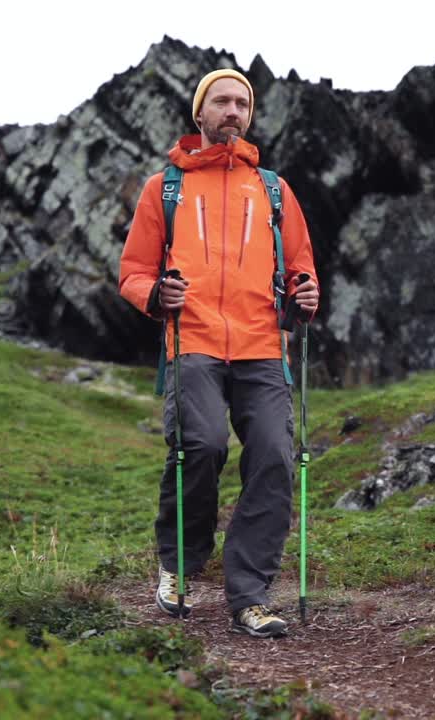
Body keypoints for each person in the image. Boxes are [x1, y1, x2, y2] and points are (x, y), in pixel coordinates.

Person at [118, 68, 319, 638]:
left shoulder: (274, 189)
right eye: (222, 102)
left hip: (261, 343)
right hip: (194, 339)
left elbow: (302, 266)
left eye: (242, 103)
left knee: (276, 457)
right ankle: (178, 568)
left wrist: (305, 294)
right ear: (199, 114)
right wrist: (156, 294)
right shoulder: (166, 188)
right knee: (200, 446)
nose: (233, 111)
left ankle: (250, 596)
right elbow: (133, 271)